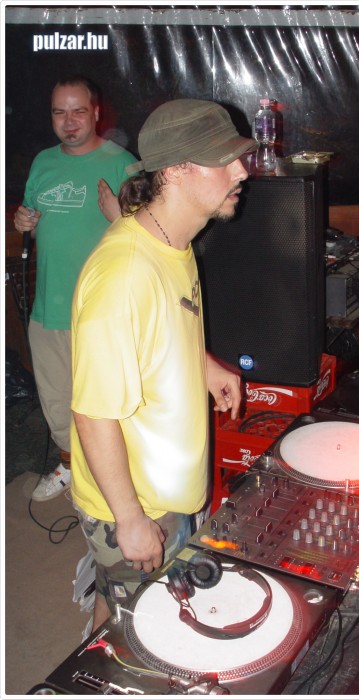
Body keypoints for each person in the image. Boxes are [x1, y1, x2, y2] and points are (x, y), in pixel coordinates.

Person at [70, 98, 257, 630]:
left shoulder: (173, 240)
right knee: (139, 634)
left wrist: (203, 364)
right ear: (175, 171)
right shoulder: (124, 275)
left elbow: (161, 327)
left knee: (122, 606)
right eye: (224, 160)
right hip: (136, 502)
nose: (241, 171)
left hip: (166, 490)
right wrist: (130, 519)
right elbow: (93, 414)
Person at [13, 75, 137, 502]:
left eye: (78, 111)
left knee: (108, 404)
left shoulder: (123, 163)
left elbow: (153, 234)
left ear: (96, 113)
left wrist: (120, 216)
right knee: (56, 401)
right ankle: (70, 465)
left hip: (104, 312)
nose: (69, 122)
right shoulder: (43, 162)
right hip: (49, 309)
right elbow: (34, 218)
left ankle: (115, 483)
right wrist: (24, 222)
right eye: (59, 112)